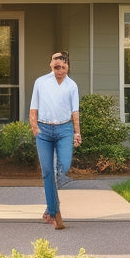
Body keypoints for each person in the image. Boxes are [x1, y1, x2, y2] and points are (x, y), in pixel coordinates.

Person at [29, 50, 81, 230]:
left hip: (64, 129)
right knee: (47, 172)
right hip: (43, 131)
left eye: (63, 67)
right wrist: (35, 128)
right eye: (56, 66)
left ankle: (51, 207)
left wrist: (77, 132)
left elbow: (75, 111)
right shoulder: (41, 82)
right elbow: (33, 108)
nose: (60, 70)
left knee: (64, 166)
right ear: (51, 65)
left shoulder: (72, 86)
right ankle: (52, 210)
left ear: (67, 67)